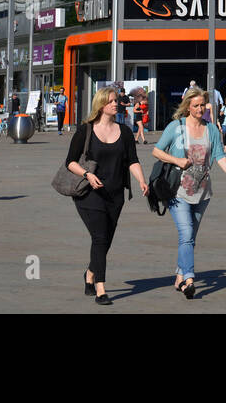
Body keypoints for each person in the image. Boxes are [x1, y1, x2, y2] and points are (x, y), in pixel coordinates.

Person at [64, 87, 148, 305]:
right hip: (89, 193)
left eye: (115, 101)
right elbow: (70, 162)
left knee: (105, 240)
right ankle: (101, 288)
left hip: (115, 194)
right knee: (100, 237)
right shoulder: (86, 131)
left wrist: (141, 180)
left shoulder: (125, 132)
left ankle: (90, 273)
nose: (115, 104)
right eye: (110, 101)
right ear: (101, 105)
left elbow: (132, 160)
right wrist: (87, 174)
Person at [152, 87, 226, 297]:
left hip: (202, 192)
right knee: (186, 234)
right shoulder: (176, 127)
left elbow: (218, 154)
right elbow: (156, 151)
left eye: (202, 105)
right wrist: (177, 160)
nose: (200, 109)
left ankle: (180, 275)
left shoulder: (210, 129)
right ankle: (189, 279)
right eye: (196, 106)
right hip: (178, 191)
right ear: (188, 107)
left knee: (190, 237)